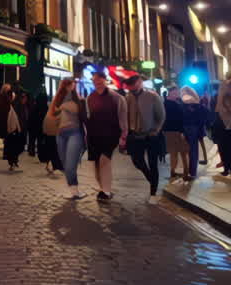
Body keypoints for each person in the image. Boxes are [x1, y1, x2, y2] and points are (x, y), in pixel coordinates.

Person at [85, 70, 127, 200]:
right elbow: (87, 116)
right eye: (95, 81)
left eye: (99, 80)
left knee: (104, 160)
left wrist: (123, 134)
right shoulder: (90, 98)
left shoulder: (116, 98)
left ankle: (106, 191)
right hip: (94, 135)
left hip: (110, 135)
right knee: (96, 163)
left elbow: (122, 116)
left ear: (104, 80)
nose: (97, 83)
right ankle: (102, 189)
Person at [122, 74, 165, 201]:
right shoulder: (127, 97)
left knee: (153, 163)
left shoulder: (152, 96)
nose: (131, 88)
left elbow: (161, 116)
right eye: (129, 86)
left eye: (133, 85)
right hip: (135, 135)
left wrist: (156, 130)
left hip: (151, 135)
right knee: (137, 161)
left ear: (140, 83)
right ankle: (151, 179)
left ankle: (153, 193)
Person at [51, 78, 86, 199]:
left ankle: (75, 191)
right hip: (60, 133)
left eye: (72, 86)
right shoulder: (58, 99)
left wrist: (62, 106)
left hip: (75, 133)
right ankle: (74, 191)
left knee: (70, 165)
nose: (70, 88)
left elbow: (75, 110)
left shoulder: (78, 99)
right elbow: (52, 113)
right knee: (65, 165)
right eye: (67, 86)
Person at [180, 86, 208, 181]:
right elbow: (204, 115)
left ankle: (187, 171)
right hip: (194, 128)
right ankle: (192, 172)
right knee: (193, 150)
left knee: (185, 151)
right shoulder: (196, 102)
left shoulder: (183, 102)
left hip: (185, 128)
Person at [162, 86, 188, 182]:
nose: (178, 94)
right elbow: (178, 119)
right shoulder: (172, 104)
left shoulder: (166, 103)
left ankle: (173, 172)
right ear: (171, 92)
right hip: (176, 132)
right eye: (176, 92)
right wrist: (181, 132)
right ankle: (185, 173)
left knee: (174, 153)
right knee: (183, 152)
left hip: (169, 131)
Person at [0, 84, 23, 170]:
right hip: (9, 128)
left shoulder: (7, 103)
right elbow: (4, 117)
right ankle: (12, 161)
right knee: (11, 144)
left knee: (10, 144)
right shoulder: (5, 103)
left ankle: (12, 161)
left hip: (10, 128)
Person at [215, 81, 231, 177]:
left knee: (225, 148)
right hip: (223, 126)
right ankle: (226, 167)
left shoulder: (224, 100)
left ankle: (226, 167)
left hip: (226, 126)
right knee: (224, 148)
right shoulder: (221, 100)